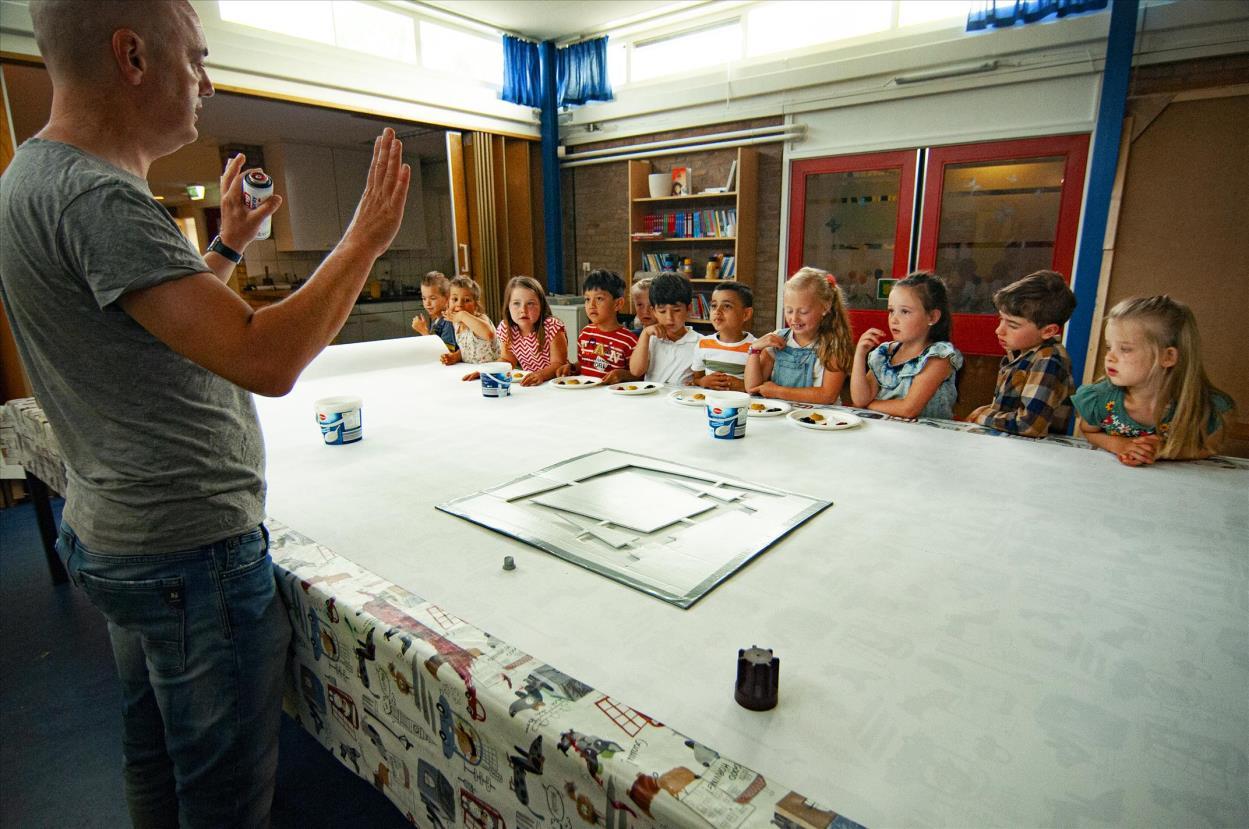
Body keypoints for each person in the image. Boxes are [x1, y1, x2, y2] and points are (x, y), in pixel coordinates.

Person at [0, 2, 410, 826]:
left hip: (121, 530)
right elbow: (266, 357)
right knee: (222, 798)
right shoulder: (96, 196)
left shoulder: (31, 180)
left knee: (153, 753)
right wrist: (364, 238)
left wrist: (224, 248)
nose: (206, 83)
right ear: (132, 57)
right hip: (186, 552)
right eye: (194, 58)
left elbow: (145, 332)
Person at [1073, 295, 1233, 465]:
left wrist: (1163, 450)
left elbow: (1210, 447)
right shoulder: (1099, 398)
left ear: (1168, 356)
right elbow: (1088, 431)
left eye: (1125, 349)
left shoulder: (1204, 406)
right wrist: (1120, 445)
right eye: (1108, 347)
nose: (1109, 357)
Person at [967, 270, 1077, 437]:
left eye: (1013, 325)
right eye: (1001, 319)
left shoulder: (1048, 360)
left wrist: (982, 415)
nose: (999, 330)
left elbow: (1028, 425)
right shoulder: (1022, 352)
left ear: (1048, 331)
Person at [850, 272, 963, 419]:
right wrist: (860, 355)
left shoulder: (938, 357)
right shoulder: (885, 353)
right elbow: (860, 399)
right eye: (891, 311)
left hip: (927, 432)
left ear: (932, 317)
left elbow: (908, 409)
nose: (894, 319)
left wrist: (869, 406)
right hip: (886, 429)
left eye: (905, 311)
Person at [745, 268, 851, 404]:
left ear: (825, 307)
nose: (794, 318)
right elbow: (752, 387)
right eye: (789, 311)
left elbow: (827, 396)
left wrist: (778, 391)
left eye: (803, 312)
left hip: (820, 415)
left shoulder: (834, 346)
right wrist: (754, 350)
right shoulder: (779, 339)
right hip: (782, 412)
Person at [489, 275, 568, 386]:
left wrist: (540, 375)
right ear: (508, 307)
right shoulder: (506, 328)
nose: (523, 310)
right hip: (532, 384)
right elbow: (507, 360)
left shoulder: (552, 326)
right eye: (516, 303)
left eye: (530, 304)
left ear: (541, 306)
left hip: (557, 383)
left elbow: (559, 363)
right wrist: (488, 371)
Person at [565, 269, 638, 384]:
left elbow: (640, 375)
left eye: (599, 298)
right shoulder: (585, 333)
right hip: (586, 392)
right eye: (587, 299)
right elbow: (585, 364)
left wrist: (623, 375)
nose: (591, 305)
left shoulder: (629, 340)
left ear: (618, 304)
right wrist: (572, 367)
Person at [628, 271, 700, 386]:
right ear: (654, 311)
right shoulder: (650, 339)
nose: (669, 318)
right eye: (662, 311)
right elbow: (636, 371)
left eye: (676, 310)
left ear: (689, 309)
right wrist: (645, 334)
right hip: (651, 396)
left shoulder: (700, 342)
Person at [691, 282, 755, 391]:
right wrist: (703, 381)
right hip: (710, 400)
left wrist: (744, 386)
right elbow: (696, 378)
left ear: (746, 314)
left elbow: (761, 385)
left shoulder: (756, 348)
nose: (717, 311)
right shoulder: (703, 344)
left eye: (727, 306)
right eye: (714, 305)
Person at [440, 275, 498, 366]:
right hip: (471, 370)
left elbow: (489, 334)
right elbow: (467, 349)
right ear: (448, 302)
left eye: (467, 300)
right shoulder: (457, 325)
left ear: (476, 305)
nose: (459, 304)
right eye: (455, 299)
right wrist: (455, 357)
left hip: (493, 370)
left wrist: (462, 315)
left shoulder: (480, 318)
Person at [410, 270, 457, 353]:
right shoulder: (436, 319)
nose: (427, 303)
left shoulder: (448, 322)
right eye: (424, 298)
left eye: (432, 298)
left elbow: (446, 353)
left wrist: (423, 331)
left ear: (447, 298)